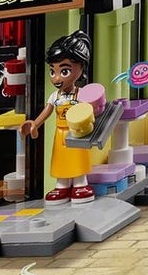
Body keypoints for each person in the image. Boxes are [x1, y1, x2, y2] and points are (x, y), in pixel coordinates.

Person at [25, 31, 97, 203]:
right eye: (53, 71)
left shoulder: (81, 94)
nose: (56, 78)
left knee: (77, 158)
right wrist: (35, 123)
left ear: (81, 67)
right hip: (60, 134)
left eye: (64, 71)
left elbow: (90, 111)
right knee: (60, 160)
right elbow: (47, 112)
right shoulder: (55, 97)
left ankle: (80, 183)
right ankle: (62, 186)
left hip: (77, 133)